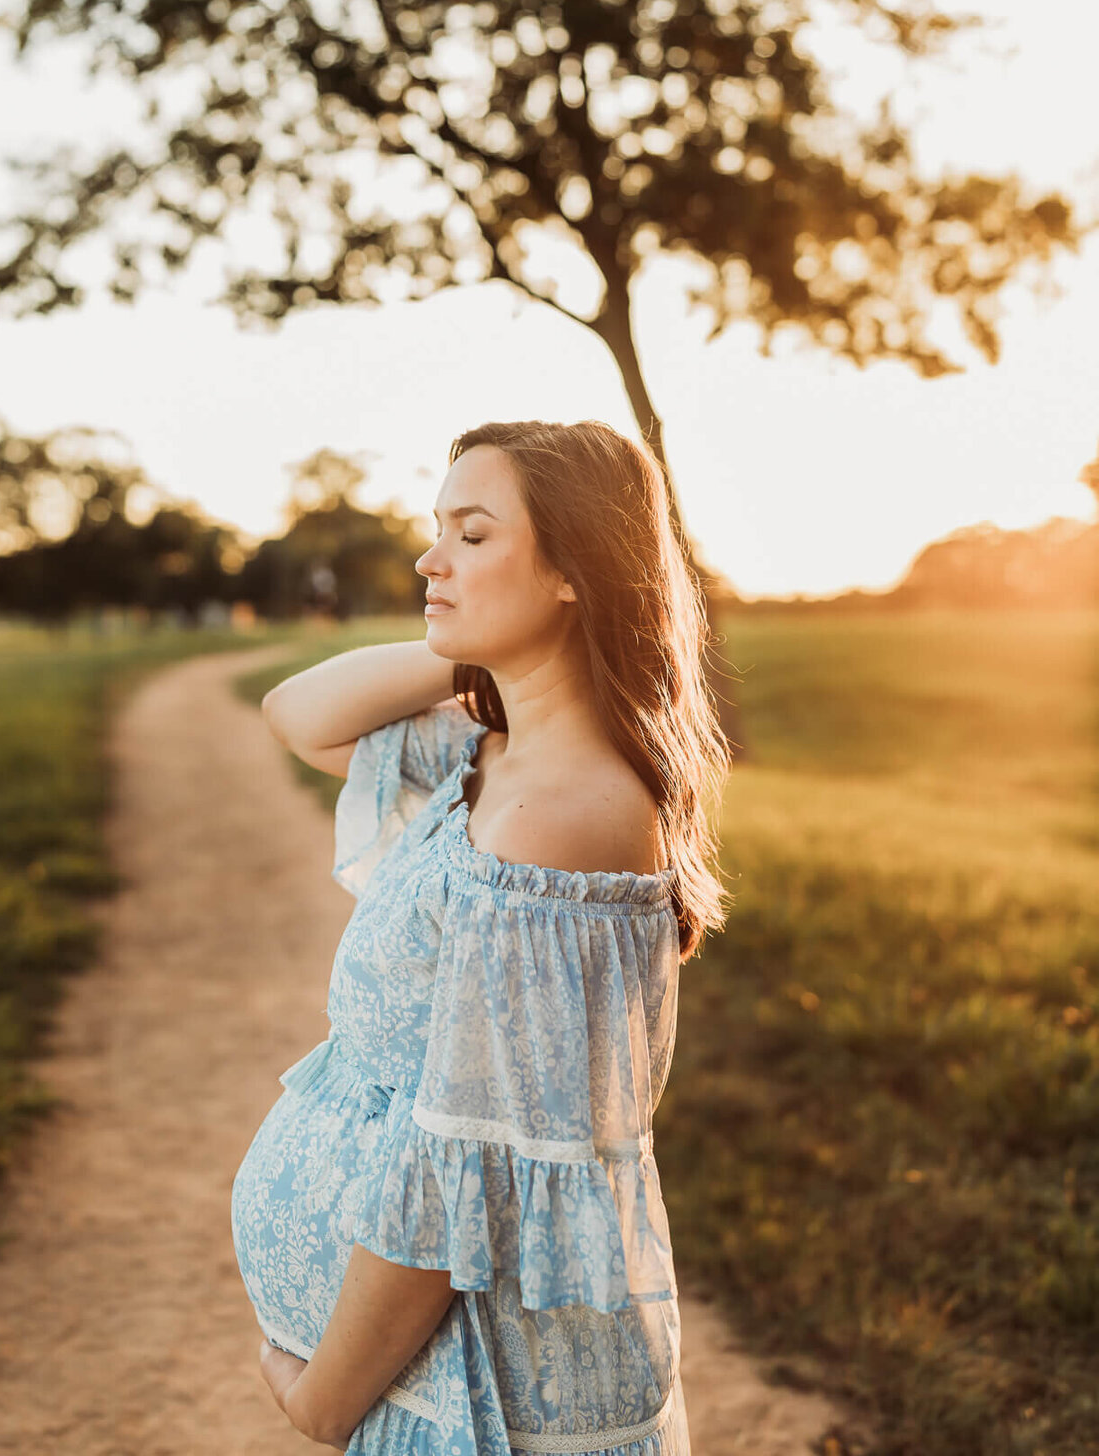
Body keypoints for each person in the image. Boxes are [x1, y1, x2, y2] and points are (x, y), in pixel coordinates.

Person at [231, 419, 733, 1453]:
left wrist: (325, 1398)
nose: (429, 558)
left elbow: (467, 1169)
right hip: (428, 1378)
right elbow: (299, 713)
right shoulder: (490, 753)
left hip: (475, 1392)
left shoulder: (557, 817)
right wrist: (462, 639)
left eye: (471, 533)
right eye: (436, 531)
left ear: (573, 572)